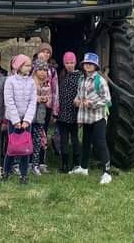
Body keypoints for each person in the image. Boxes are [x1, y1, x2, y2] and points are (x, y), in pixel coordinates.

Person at [70, 52, 113, 184]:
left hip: (98, 116)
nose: (88, 66)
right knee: (86, 142)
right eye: (86, 64)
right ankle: (83, 168)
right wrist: (76, 101)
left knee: (100, 143)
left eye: (91, 64)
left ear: (95, 66)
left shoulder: (100, 81)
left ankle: (107, 172)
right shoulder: (81, 80)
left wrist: (92, 104)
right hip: (86, 117)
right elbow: (79, 95)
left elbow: (108, 101)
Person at [2, 54, 37, 185]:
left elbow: (33, 102)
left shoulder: (32, 82)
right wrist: (16, 120)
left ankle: (23, 175)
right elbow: (9, 101)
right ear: (19, 66)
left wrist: (27, 120)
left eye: (30, 65)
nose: (30, 67)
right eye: (27, 65)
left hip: (26, 121)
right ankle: (5, 172)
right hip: (13, 121)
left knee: (25, 148)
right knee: (12, 147)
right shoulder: (10, 81)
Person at [56, 51, 81, 173]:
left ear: (75, 62)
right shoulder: (62, 75)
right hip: (62, 114)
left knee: (75, 139)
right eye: (67, 62)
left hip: (74, 114)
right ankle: (65, 164)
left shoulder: (80, 77)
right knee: (64, 140)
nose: (69, 65)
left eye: (71, 62)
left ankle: (76, 163)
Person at [36, 42, 58, 173]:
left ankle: (42, 162)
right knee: (33, 132)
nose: (45, 54)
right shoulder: (30, 67)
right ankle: (30, 160)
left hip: (47, 106)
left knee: (43, 132)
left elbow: (55, 91)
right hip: (33, 105)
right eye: (43, 51)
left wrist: (55, 109)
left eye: (48, 52)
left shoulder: (52, 70)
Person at [31, 59, 51, 176]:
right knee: (27, 140)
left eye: (45, 70)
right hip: (29, 116)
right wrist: (37, 98)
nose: (42, 72)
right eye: (40, 69)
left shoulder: (46, 83)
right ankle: (27, 163)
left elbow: (49, 98)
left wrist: (45, 99)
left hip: (41, 116)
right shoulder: (30, 82)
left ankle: (35, 164)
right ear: (35, 70)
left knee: (38, 141)